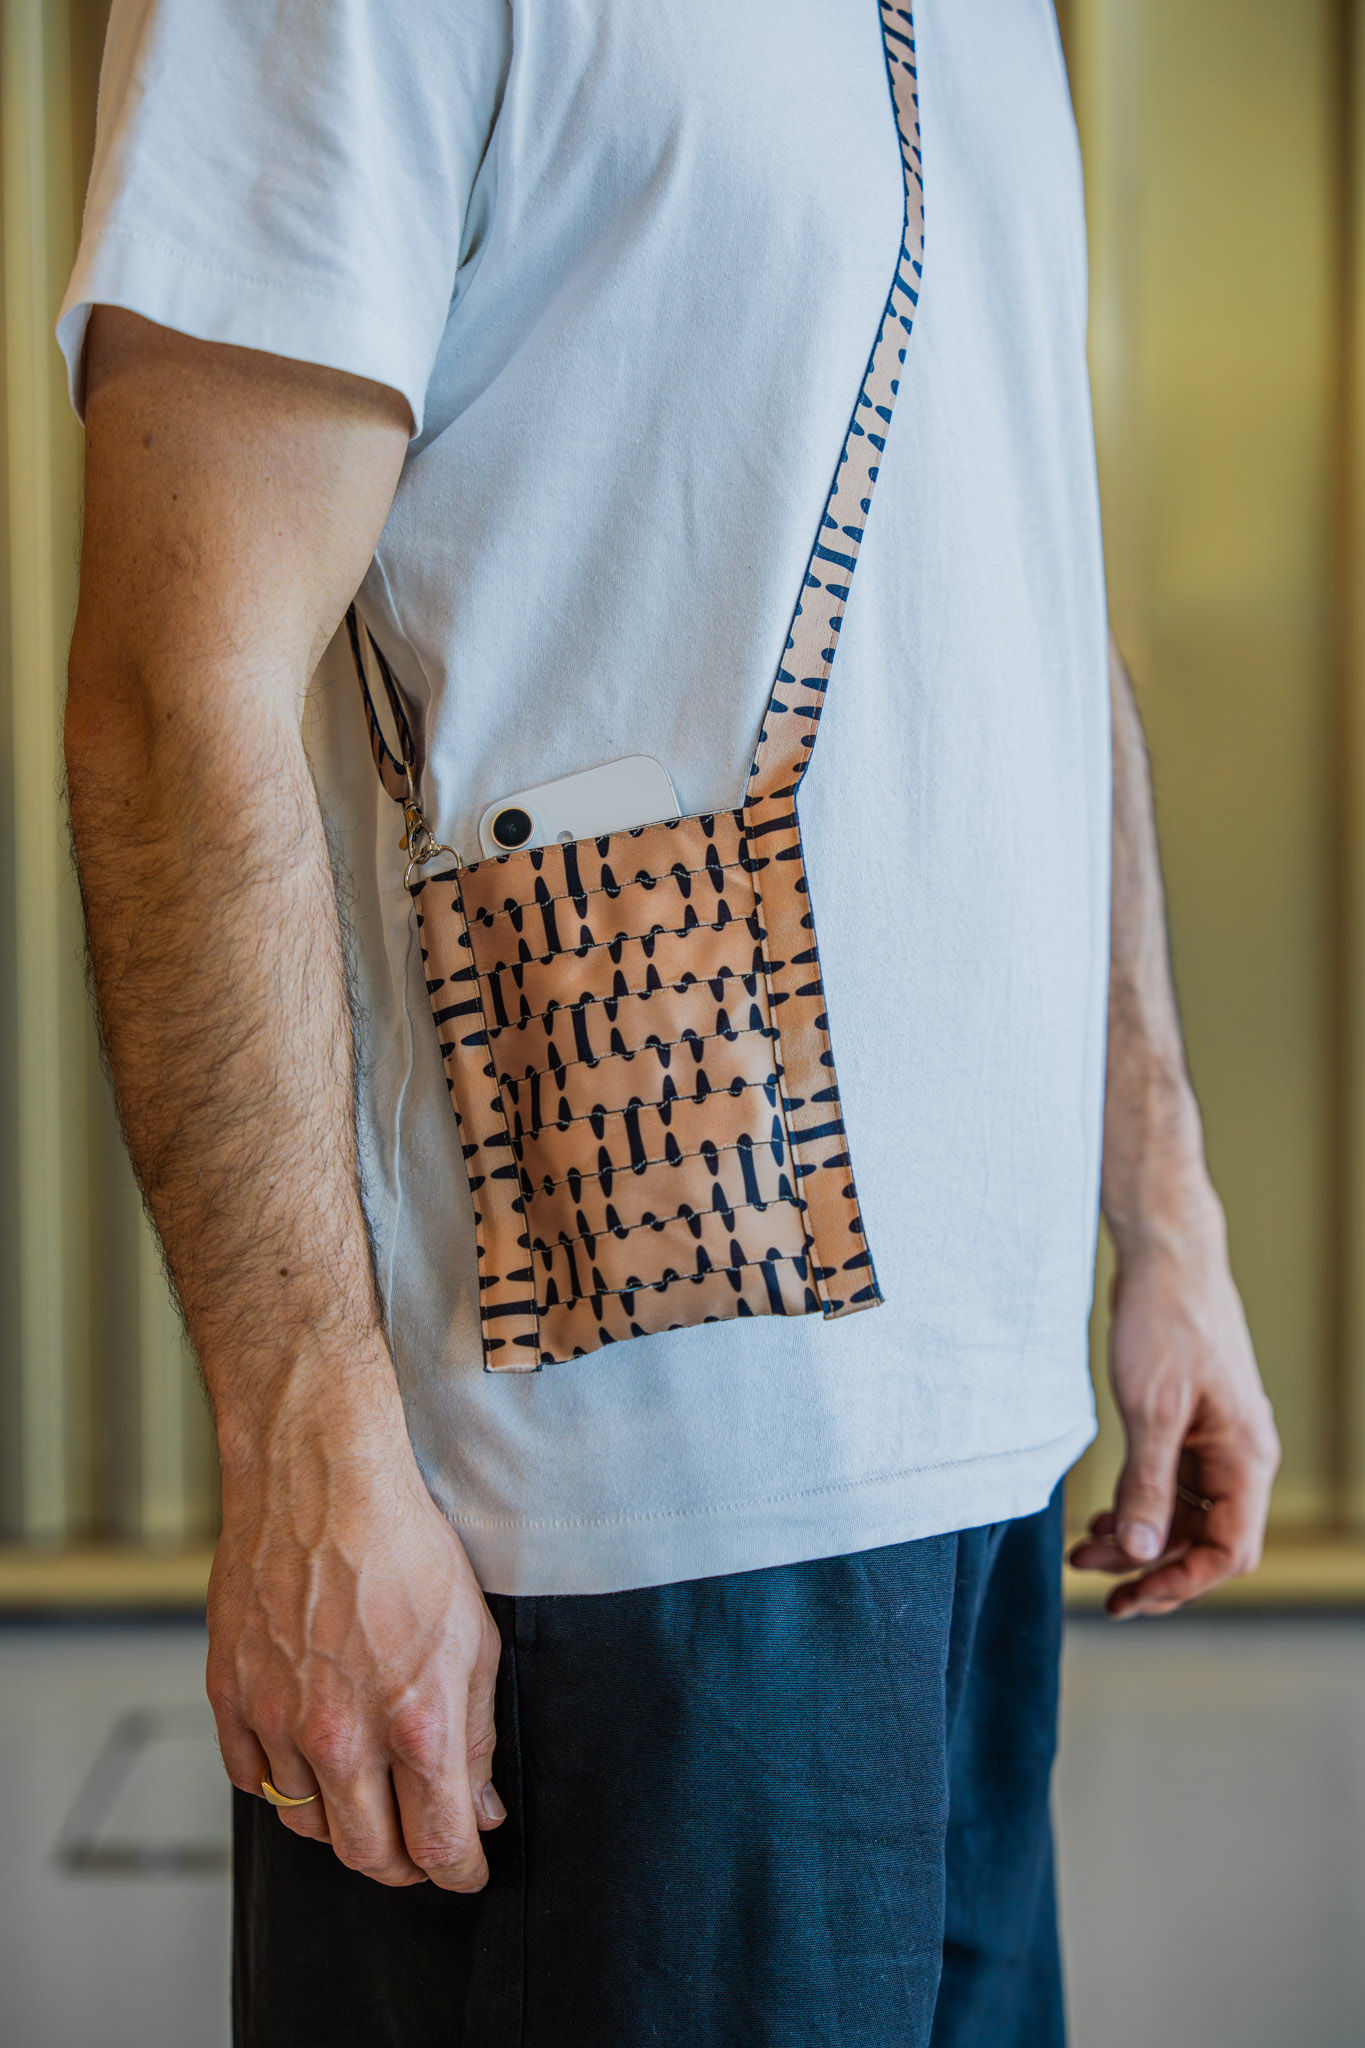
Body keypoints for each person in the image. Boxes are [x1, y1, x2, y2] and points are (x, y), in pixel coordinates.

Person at [59, 1, 1279, 2043]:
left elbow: (1022, 586)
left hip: (981, 1436)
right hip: (610, 1507)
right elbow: (176, 689)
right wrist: (302, 1452)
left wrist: (1163, 1203)